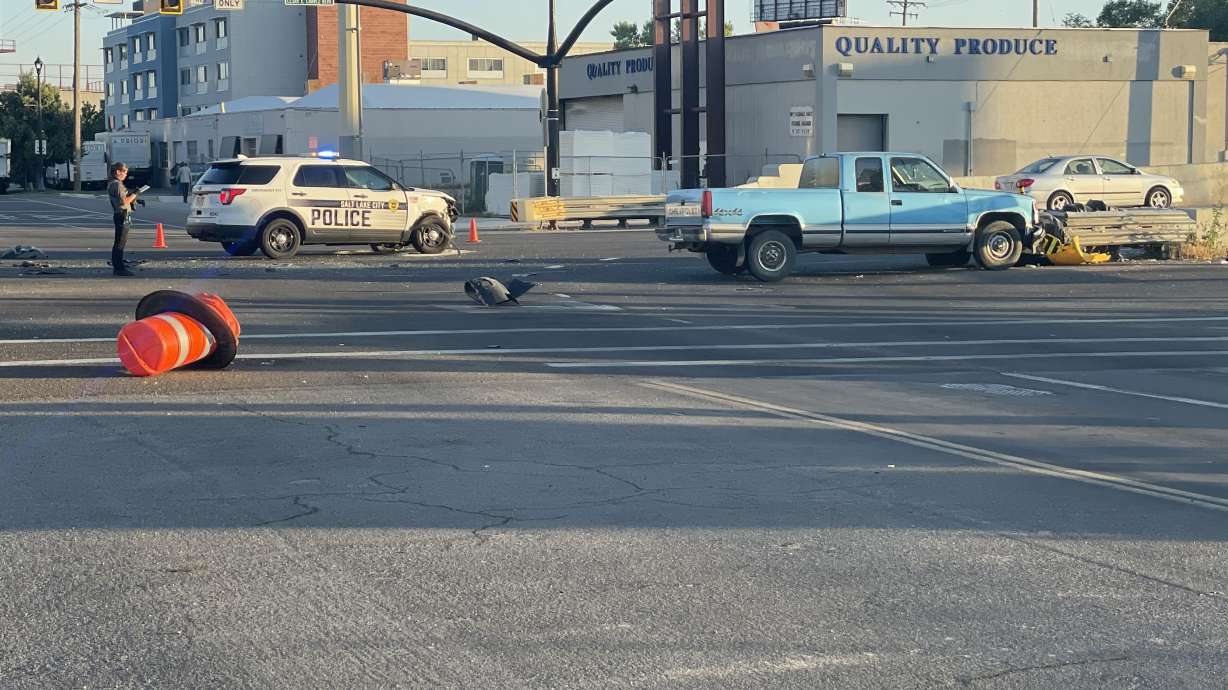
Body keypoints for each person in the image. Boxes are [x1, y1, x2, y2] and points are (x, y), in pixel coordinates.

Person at [108, 162, 140, 277]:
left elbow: (125, 198)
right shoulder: (116, 184)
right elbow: (124, 202)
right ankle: (119, 268)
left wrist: (136, 199)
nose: (126, 175)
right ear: (118, 172)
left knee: (120, 242)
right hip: (121, 214)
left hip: (123, 213)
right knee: (120, 243)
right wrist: (135, 194)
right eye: (124, 172)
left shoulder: (117, 184)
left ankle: (119, 266)